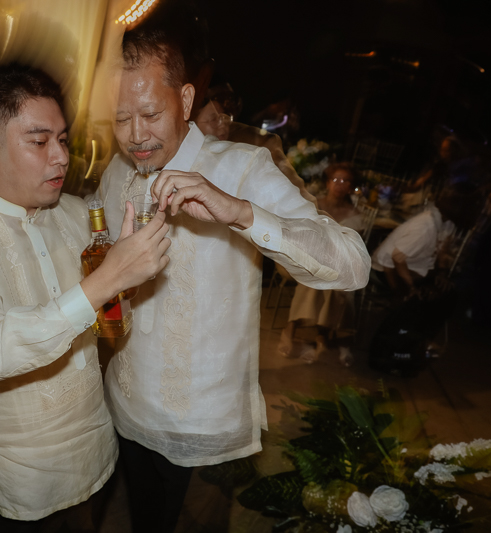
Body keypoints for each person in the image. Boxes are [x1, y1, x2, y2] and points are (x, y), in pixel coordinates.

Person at [94, 27, 370, 532]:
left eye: (150, 115)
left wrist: (241, 212)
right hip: (126, 405)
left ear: (185, 100)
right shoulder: (118, 169)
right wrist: (3, 190)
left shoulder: (243, 168)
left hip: (205, 428)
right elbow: (85, 224)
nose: (135, 135)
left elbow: (353, 264)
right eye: (120, 118)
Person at [0, 64, 171, 530]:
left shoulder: (75, 213)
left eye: (64, 140)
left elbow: (108, 308)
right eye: (39, 142)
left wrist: (124, 282)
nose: (61, 157)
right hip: (19, 475)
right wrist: (107, 279)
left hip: (95, 449)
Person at [278, 162, 365, 366]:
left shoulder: (355, 214)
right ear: (328, 183)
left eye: (346, 181)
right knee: (316, 274)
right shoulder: (314, 205)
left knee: (336, 282)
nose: (340, 184)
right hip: (299, 254)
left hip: (334, 261)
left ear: (351, 186)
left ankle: (320, 335)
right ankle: (295, 330)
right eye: (336, 179)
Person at [371, 183, 481, 301]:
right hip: (384, 270)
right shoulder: (426, 227)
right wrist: (410, 288)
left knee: (448, 288)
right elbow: (396, 258)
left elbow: (443, 251)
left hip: (411, 266)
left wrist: (442, 273)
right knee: (438, 296)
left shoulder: (448, 223)